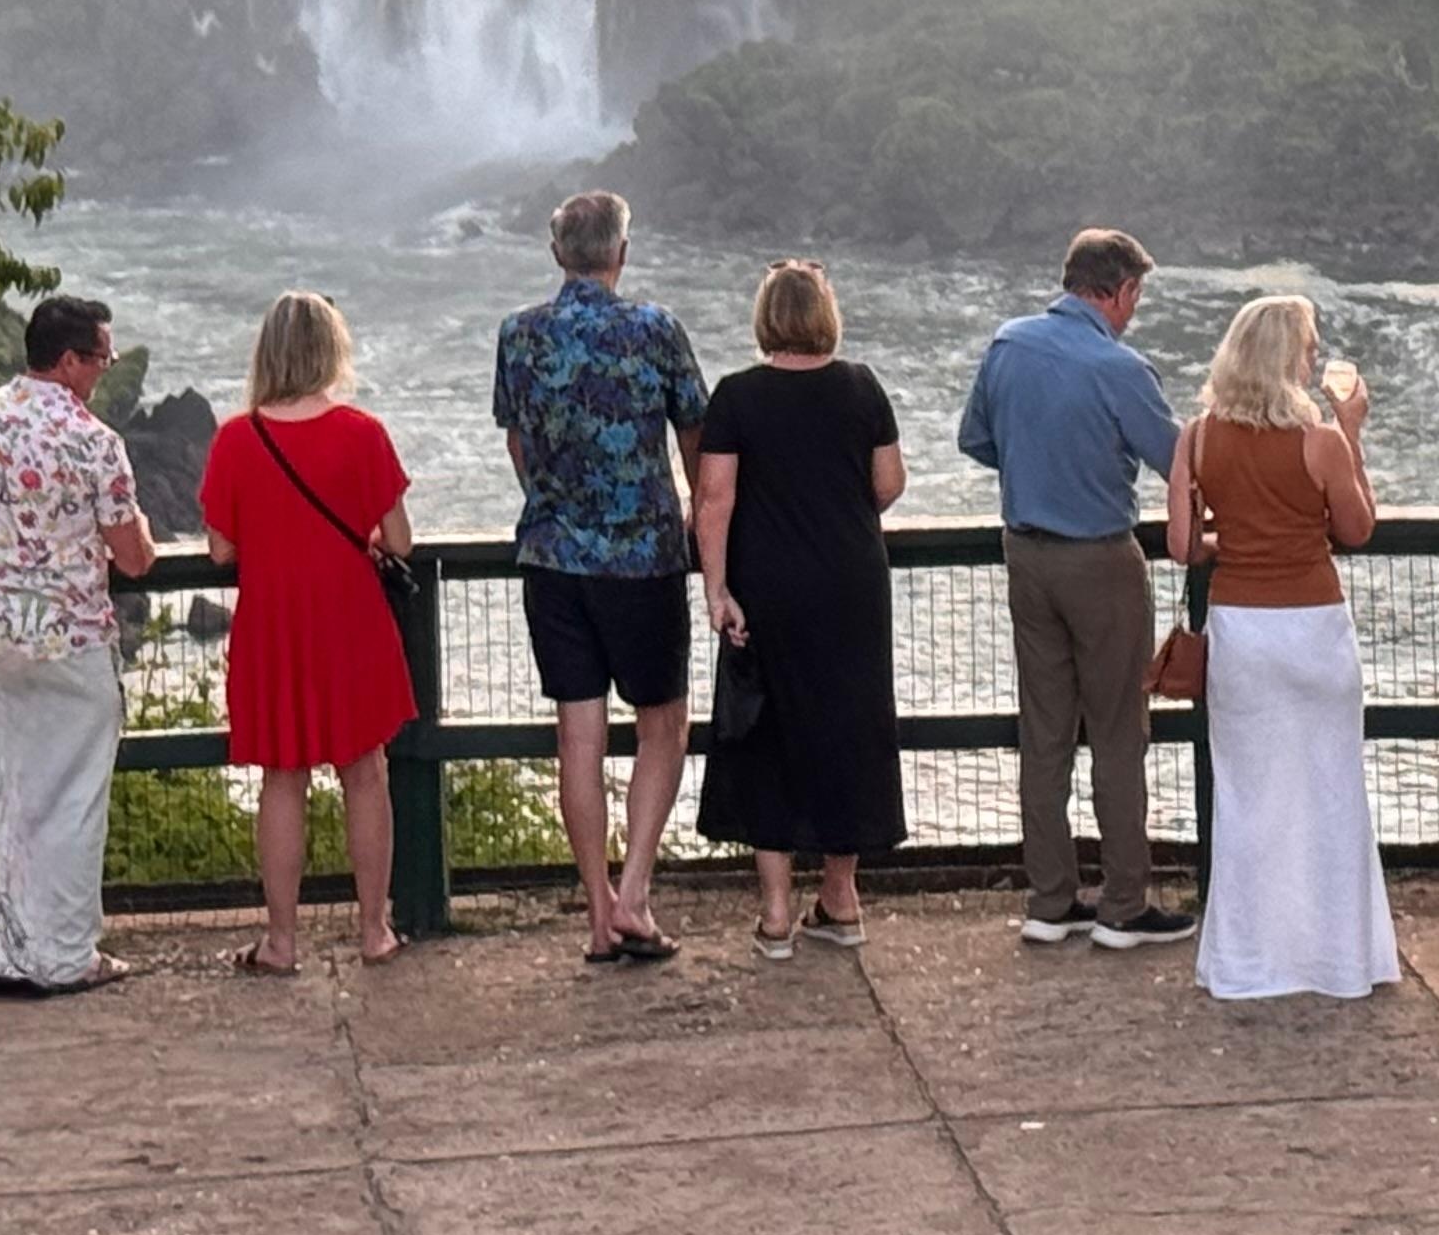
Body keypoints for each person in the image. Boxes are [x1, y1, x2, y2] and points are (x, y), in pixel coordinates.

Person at [957, 225, 1195, 949]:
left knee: (1045, 733)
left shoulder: (1008, 345)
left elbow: (975, 439)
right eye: (1136, 297)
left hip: (1026, 555)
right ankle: (1123, 902)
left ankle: (1050, 898)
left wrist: (1037, 463)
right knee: (1118, 731)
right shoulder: (1121, 369)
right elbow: (1178, 463)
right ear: (1120, 291)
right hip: (1100, 558)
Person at [495, 188, 709, 964]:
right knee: (664, 726)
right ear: (622, 252)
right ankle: (635, 894)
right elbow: (696, 436)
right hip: (644, 557)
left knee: (577, 737)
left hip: (554, 560)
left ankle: (595, 914)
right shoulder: (655, 330)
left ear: (558, 253)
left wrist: (552, 499)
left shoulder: (519, 335)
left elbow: (518, 441)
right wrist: (698, 516)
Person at [1171, 293, 1396, 1002]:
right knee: (1331, 793)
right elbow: (1356, 529)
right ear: (1287, 359)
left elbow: (1182, 544)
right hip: (1314, 628)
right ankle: (1339, 960)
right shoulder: (1321, 442)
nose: (1314, 357)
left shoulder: (1197, 438)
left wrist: (1236, 538)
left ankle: (1246, 962)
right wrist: (1351, 430)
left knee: (1247, 798)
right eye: (1308, 346)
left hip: (1242, 628)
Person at [198, 290, 418, 974]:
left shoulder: (237, 438)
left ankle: (282, 941)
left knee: (283, 777)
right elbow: (400, 541)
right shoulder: (363, 433)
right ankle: (375, 930)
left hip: (274, 623)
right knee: (366, 773)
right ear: (330, 352)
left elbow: (220, 548)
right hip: (350, 620)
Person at [0, 293, 158, 997]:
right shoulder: (93, 440)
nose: (104, 370)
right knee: (71, 799)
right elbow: (133, 557)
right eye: (101, 358)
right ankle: (64, 956)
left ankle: (4, 954)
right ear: (69, 361)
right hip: (67, 638)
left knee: (6, 798)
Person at [694, 260, 908, 956]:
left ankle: (777, 913)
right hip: (851, 583)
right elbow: (889, 482)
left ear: (765, 319)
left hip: (767, 586)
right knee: (849, 727)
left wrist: (717, 589)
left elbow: (713, 500)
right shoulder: (861, 386)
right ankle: (840, 897)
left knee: (766, 733)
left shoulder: (736, 396)